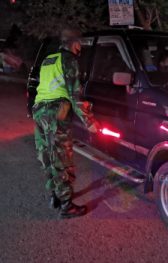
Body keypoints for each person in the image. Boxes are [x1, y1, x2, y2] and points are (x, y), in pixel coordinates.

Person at [32, 28, 98, 219]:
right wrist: (89, 121)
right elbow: (74, 94)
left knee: (47, 156)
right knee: (61, 158)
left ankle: (55, 196)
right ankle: (66, 206)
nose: (81, 49)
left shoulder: (48, 59)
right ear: (74, 43)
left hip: (40, 112)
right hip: (55, 113)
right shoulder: (69, 60)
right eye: (80, 45)